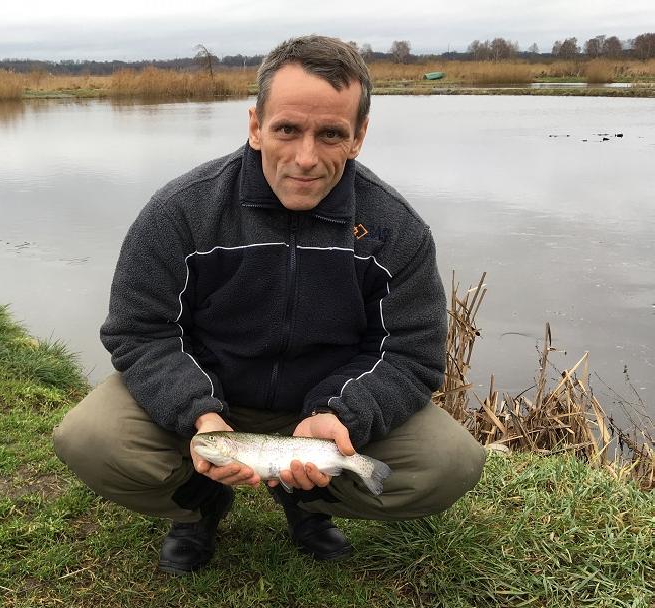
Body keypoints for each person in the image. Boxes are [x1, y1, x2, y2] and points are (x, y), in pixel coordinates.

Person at [53, 35, 486, 575]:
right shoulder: (180, 212)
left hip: (324, 408)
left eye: (331, 134)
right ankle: (201, 505)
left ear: (359, 137)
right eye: (287, 129)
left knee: (450, 463)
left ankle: (305, 500)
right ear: (256, 126)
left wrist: (338, 414)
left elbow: (411, 355)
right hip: (210, 400)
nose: (306, 158)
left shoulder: (396, 230)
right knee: (88, 438)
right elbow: (139, 331)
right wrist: (199, 416)